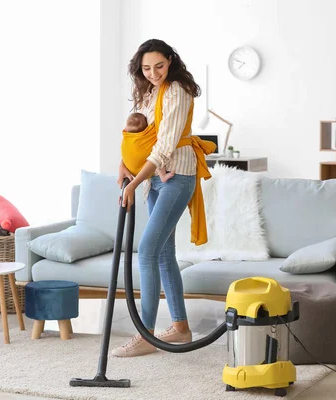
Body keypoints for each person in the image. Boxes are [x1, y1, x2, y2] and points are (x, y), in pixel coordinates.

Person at [113, 39, 216, 357]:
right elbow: (135, 134)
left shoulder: (177, 92)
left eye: (159, 65)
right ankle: (181, 329)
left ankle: (145, 335)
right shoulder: (147, 92)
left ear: (170, 61)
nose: (154, 72)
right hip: (155, 179)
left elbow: (165, 145)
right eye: (146, 68)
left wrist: (134, 183)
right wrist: (123, 165)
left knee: (146, 251)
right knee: (162, 255)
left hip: (176, 177)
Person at [124, 112, 175, 183]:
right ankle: (163, 176)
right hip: (145, 171)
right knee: (157, 155)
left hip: (132, 170)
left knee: (156, 155)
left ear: (126, 128)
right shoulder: (148, 135)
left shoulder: (126, 136)